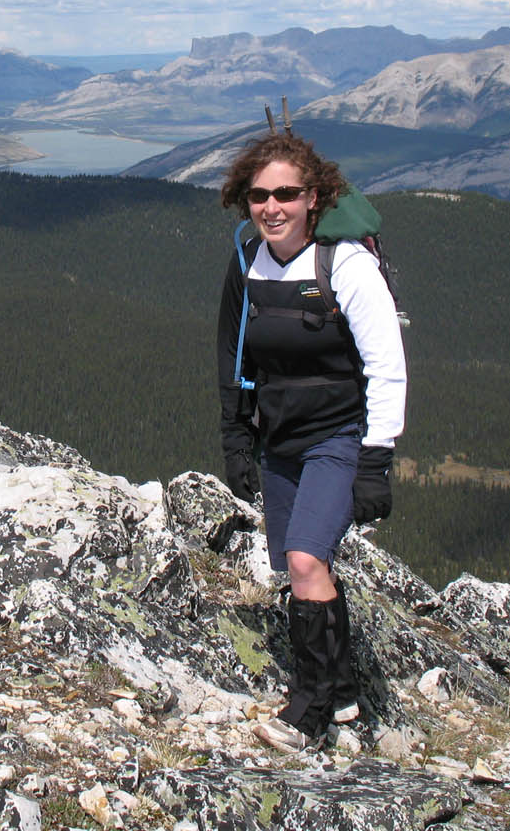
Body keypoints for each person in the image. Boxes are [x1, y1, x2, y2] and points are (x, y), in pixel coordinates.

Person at [216, 133, 407, 752]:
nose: (273, 207)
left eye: (287, 195)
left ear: (314, 197)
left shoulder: (346, 266)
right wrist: (237, 437)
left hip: (337, 436)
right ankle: (346, 690)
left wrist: (375, 460)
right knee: (296, 565)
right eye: (260, 195)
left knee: (304, 561)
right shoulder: (248, 260)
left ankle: (309, 707)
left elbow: (387, 366)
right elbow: (232, 354)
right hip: (280, 437)